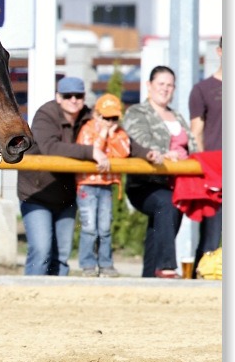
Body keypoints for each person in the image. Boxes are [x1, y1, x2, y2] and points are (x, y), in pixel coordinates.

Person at [17, 77, 110, 276]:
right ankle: (28, 297)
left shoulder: (90, 117)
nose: (74, 100)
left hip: (66, 197)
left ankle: (57, 301)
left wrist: (148, 153)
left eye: (79, 95)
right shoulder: (46, 114)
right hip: (36, 194)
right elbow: (49, 147)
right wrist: (90, 151)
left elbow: (117, 134)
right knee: (41, 251)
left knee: (61, 257)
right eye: (68, 96)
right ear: (58, 98)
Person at [123, 65, 198, 278]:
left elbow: (192, 145)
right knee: (166, 202)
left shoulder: (178, 117)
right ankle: (166, 266)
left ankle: (149, 278)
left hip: (176, 183)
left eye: (170, 85)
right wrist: (166, 154)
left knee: (160, 226)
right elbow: (139, 142)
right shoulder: (137, 113)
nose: (165, 89)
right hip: (145, 184)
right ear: (149, 85)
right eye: (161, 84)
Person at [74, 94, 131, 277]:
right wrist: (103, 134)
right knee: (89, 227)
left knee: (105, 228)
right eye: (106, 118)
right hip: (86, 185)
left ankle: (106, 264)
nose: (110, 122)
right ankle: (88, 265)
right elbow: (91, 150)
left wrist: (111, 134)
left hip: (106, 185)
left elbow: (123, 153)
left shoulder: (119, 133)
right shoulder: (88, 129)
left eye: (114, 118)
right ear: (96, 115)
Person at [188, 35, 222, 272]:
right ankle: (199, 285)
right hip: (215, 173)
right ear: (220, 52)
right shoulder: (203, 89)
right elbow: (196, 132)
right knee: (211, 235)